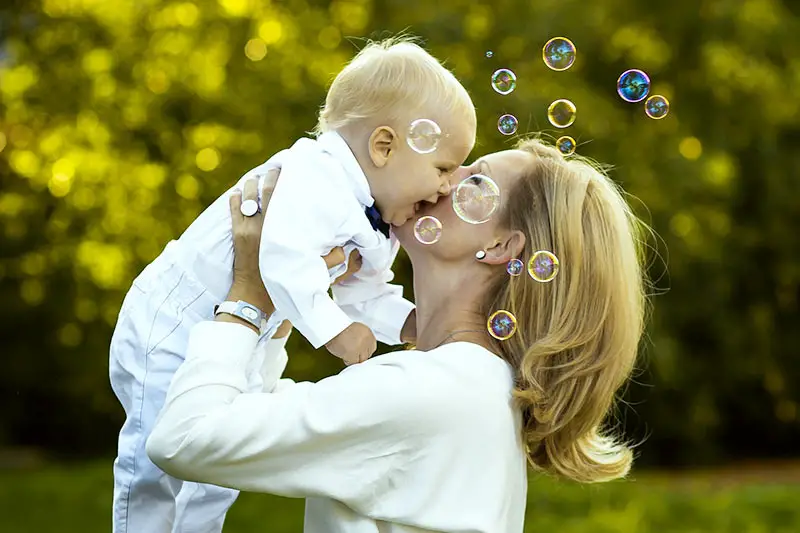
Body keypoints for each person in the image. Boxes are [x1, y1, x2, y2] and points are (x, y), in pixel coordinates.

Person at [146, 137, 650, 532]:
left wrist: (249, 295)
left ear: (502, 245)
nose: (445, 179)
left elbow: (185, 437)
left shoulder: (432, 392)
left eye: (476, 180)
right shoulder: (467, 387)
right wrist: (286, 293)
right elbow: (240, 406)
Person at [109, 37, 476, 533]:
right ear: (384, 146)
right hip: (173, 318)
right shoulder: (316, 172)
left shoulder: (378, 223)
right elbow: (280, 259)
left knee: (219, 461)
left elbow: (364, 293)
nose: (448, 187)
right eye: (443, 168)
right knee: (154, 457)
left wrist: (414, 323)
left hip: (247, 334)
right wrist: (335, 332)